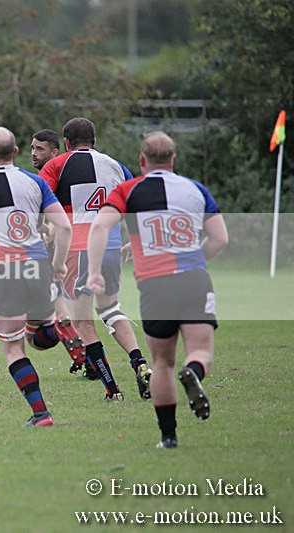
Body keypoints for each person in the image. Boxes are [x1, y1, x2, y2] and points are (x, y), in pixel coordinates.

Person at [87, 131, 228, 448]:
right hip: (194, 279)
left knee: (163, 363)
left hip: (154, 286)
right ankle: (194, 371)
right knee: (201, 350)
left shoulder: (128, 190)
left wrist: (95, 272)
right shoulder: (195, 189)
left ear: (141, 161)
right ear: (174, 160)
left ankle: (168, 437)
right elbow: (220, 238)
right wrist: (195, 260)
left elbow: (99, 226)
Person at [0, 127, 73, 427]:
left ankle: (41, 413)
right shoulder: (35, 181)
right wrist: (57, 266)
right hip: (38, 267)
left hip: (5, 272)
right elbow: (65, 227)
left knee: (13, 346)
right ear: (16, 152)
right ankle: (61, 329)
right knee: (38, 336)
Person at [39, 117, 151, 401]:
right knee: (111, 309)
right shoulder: (115, 166)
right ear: (95, 140)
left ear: (65, 143)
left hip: (78, 250)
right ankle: (139, 362)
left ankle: (112, 390)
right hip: (111, 247)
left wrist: (44, 231)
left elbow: (38, 201)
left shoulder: (56, 165)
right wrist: (134, 242)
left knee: (84, 322)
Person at [30, 129, 86, 372]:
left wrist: (42, 229)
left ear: (56, 150)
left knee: (35, 326)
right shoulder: (68, 169)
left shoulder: (50, 171)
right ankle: (83, 358)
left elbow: (44, 212)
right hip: (74, 243)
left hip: (57, 247)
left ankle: (83, 354)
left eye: (39, 149)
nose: (34, 153)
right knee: (61, 301)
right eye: (32, 148)